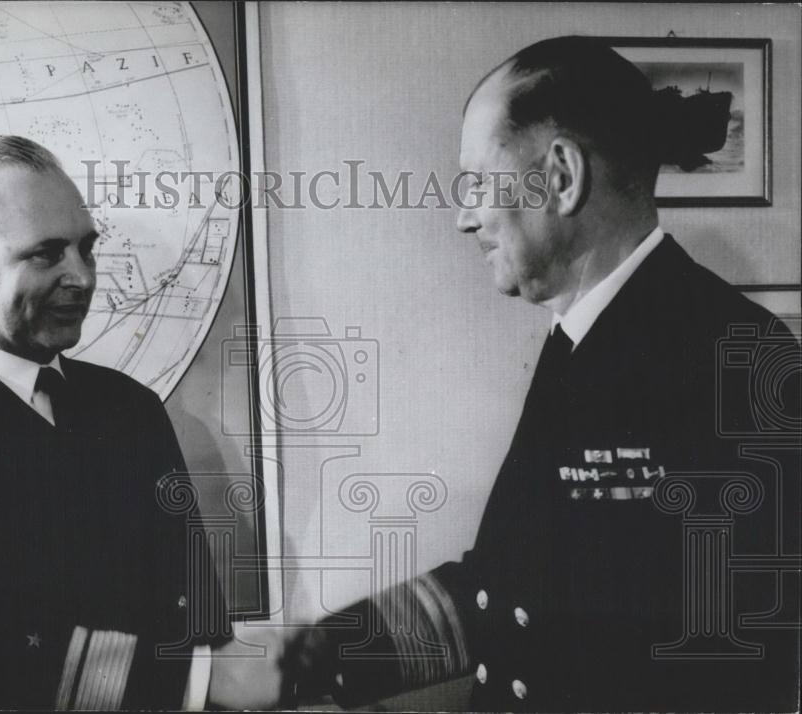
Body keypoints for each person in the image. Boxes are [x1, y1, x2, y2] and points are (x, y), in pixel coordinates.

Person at [283, 36, 800, 711]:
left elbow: (722, 664)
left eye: (476, 182)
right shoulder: (584, 333)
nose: (463, 217)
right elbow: (516, 580)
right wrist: (316, 657)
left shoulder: (739, 355)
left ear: (560, 176)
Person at [0, 136, 281, 709]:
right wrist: (208, 681)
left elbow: (197, 611)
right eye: (46, 254)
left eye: (85, 249)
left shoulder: (130, 406)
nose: (84, 278)